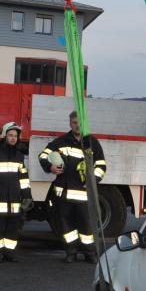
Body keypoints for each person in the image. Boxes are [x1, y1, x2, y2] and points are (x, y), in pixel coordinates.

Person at [39, 111, 107, 263]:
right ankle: (71, 252)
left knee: (87, 227)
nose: (77, 126)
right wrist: (50, 167)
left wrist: (93, 180)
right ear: (70, 123)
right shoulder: (61, 141)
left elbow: (101, 165)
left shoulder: (92, 143)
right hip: (63, 194)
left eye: (80, 123)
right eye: (75, 122)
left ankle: (90, 253)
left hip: (84, 194)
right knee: (66, 226)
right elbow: (43, 155)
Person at [0, 122, 31, 263]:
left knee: (12, 229)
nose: (13, 138)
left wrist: (26, 196)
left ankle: (9, 253)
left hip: (15, 201)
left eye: (15, 136)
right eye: (10, 135)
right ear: (4, 136)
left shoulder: (19, 156)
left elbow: (23, 178)